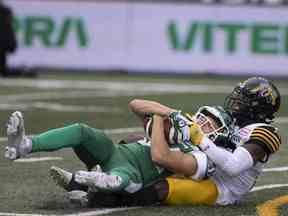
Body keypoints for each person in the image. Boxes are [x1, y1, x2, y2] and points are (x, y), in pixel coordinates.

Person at [63, 76, 281, 207]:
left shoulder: (264, 133)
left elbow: (233, 167)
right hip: (202, 159)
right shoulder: (231, 119)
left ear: (257, 107)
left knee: (163, 189)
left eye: (243, 100)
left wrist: (200, 140)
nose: (236, 103)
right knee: (136, 142)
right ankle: (88, 179)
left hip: (220, 187)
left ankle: (97, 199)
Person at [4, 99, 232, 197]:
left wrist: (159, 123)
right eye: (202, 118)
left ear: (218, 134)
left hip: (142, 173)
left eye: (209, 124)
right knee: (82, 132)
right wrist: (171, 114)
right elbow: (135, 104)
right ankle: (25, 144)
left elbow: (160, 157)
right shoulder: (181, 124)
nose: (201, 124)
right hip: (118, 153)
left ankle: (92, 184)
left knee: (121, 180)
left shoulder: (203, 157)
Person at [0, 0, 17, 77]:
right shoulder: (6, 11)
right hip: (5, 41)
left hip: (3, 41)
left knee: (3, 69)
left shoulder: (5, 11)